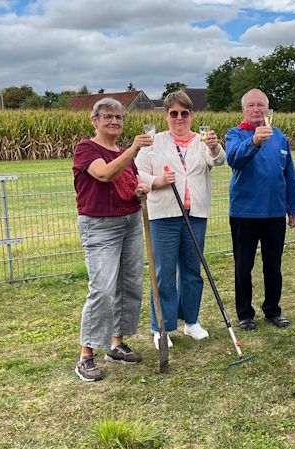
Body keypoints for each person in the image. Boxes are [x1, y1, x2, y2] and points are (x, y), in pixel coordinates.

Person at [134, 91, 226, 350]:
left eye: (184, 113)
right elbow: (137, 171)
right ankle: (161, 326)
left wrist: (214, 147)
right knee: (164, 274)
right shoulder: (153, 142)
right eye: (174, 113)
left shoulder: (202, 141)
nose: (179, 118)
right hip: (164, 215)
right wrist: (156, 181)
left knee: (192, 271)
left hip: (195, 215)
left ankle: (191, 321)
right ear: (166, 116)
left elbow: (218, 160)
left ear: (191, 116)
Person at [72, 98, 152, 382]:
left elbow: (130, 184)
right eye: (108, 117)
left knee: (129, 285)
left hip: (129, 221)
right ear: (95, 120)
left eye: (119, 118)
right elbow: (104, 174)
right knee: (103, 289)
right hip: (100, 225)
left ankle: (117, 344)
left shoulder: (121, 152)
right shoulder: (87, 149)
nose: (115, 122)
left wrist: (140, 188)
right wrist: (134, 149)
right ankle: (87, 355)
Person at [225, 89, 295, 330]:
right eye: (251, 105)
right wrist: (255, 141)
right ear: (243, 110)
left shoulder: (279, 137)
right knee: (243, 266)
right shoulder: (235, 134)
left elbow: (288, 173)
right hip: (244, 213)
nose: (256, 109)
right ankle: (245, 314)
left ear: (267, 110)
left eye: (261, 105)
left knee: (273, 265)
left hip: (274, 212)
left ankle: (273, 310)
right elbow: (234, 159)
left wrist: (293, 206)